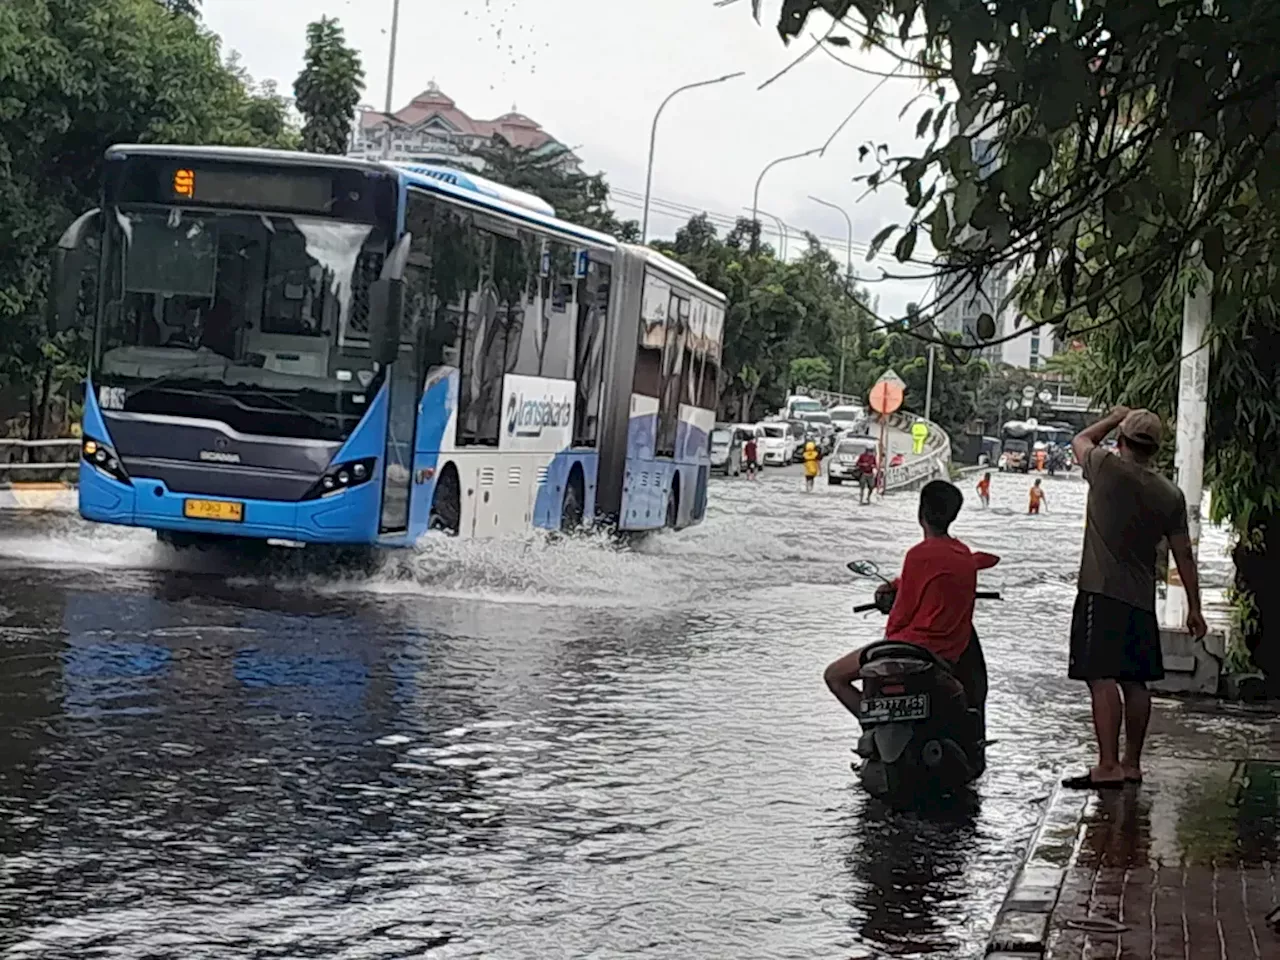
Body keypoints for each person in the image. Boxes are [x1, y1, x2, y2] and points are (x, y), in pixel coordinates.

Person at [1061, 407, 1206, 790]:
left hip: (1100, 591)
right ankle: (1132, 763)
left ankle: (1107, 764)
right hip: (1141, 599)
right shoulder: (1170, 495)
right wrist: (1194, 607)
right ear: (1155, 449)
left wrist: (1112, 417)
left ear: (1122, 441)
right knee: (1136, 681)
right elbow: (1183, 554)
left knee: (1101, 676)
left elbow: (1080, 439)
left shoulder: (1105, 467)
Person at [824, 481, 998, 719]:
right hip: (948, 656)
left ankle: (872, 725)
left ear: (921, 513)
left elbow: (902, 612)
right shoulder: (965, 557)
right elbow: (985, 559)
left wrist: (888, 639)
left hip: (910, 648)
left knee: (834, 675)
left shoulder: (918, 555)